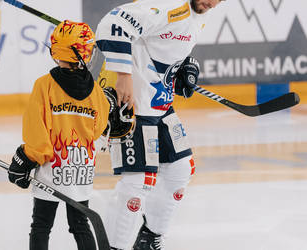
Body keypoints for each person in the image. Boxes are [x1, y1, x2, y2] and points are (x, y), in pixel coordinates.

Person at [95, 0, 224, 249]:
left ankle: (148, 239)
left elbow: (165, 46)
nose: (212, 2)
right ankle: (116, 246)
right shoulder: (167, 5)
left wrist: (185, 67)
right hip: (131, 107)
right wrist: (123, 76)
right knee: (137, 183)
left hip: (159, 107)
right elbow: (113, 22)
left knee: (180, 170)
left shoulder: (200, 12)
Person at [7, 20, 112, 250]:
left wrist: (25, 158)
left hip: (51, 169)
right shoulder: (95, 90)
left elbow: (36, 131)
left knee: (41, 226)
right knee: (80, 224)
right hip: (80, 168)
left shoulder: (44, 85)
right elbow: (98, 128)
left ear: (55, 49)